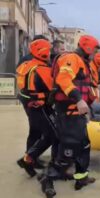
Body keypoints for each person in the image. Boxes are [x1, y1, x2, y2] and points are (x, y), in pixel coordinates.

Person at [39, 35, 100, 198]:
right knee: (69, 149)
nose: (95, 52)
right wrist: (79, 99)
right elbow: (63, 78)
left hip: (76, 114)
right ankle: (47, 178)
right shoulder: (72, 58)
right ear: (87, 48)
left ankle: (81, 178)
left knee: (84, 145)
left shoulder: (83, 61)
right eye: (94, 49)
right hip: (69, 113)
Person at [16, 39, 57, 177]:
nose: (50, 52)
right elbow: (54, 90)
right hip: (39, 106)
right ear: (43, 52)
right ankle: (28, 159)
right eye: (49, 49)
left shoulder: (26, 65)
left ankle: (31, 160)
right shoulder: (42, 69)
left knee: (34, 132)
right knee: (52, 135)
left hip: (28, 103)